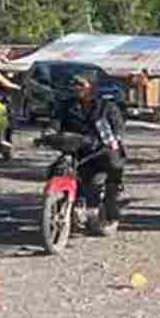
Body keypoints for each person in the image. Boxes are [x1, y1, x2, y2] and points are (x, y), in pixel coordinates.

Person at [52, 74, 126, 228]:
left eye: (81, 84)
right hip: (77, 148)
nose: (77, 88)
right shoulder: (66, 106)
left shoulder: (106, 106)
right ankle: (61, 203)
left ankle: (111, 203)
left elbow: (117, 126)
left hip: (101, 149)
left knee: (113, 164)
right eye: (75, 85)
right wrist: (49, 133)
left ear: (91, 87)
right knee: (57, 169)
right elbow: (55, 123)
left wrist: (115, 138)